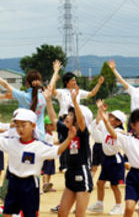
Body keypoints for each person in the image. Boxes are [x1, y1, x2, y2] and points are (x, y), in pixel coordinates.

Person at [0, 108, 76, 217]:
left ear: (33, 126)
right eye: (17, 126)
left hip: (30, 185)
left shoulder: (39, 146)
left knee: (30, 214)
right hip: (13, 182)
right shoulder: (12, 142)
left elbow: (58, 150)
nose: (20, 129)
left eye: (23, 125)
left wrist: (69, 138)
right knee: (7, 213)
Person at [44, 86, 92, 217]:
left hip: (82, 173)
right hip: (70, 172)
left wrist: (75, 102)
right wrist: (48, 101)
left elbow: (81, 121)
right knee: (62, 213)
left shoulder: (82, 132)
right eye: (68, 113)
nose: (67, 116)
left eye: (71, 115)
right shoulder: (66, 130)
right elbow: (54, 120)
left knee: (79, 214)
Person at [0, 62, 54, 141]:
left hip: (24, 136)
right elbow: (51, 85)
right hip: (40, 136)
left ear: (27, 83)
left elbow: (5, 84)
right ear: (40, 82)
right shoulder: (44, 96)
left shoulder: (23, 96)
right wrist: (56, 71)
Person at [88, 103, 126, 215]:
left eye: (112, 117)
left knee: (114, 185)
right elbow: (97, 123)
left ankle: (119, 206)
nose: (109, 118)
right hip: (106, 159)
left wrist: (105, 121)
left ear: (119, 122)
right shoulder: (106, 126)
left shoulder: (119, 131)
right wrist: (100, 110)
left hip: (115, 160)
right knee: (100, 183)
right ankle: (99, 204)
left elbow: (113, 134)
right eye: (109, 116)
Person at [41, 115, 58, 193]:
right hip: (46, 155)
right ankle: (44, 184)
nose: (52, 127)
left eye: (53, 125)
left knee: (50, 171)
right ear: (46, 125)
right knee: (45, 171)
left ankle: (48, 185)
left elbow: (51, 142)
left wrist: (56, 143)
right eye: (50, 125)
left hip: (51, 155)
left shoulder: (51, 134)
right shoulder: (45, 135)